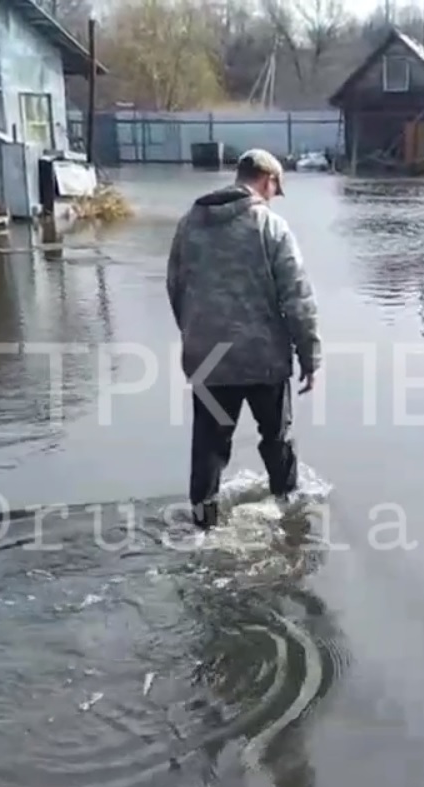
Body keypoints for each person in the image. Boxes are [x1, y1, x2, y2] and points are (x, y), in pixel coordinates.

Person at [166, 148, 321, 530]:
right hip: (262, 361)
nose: (272, 196)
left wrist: (195, 336)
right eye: (274, 189)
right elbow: (298, 298)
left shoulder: (189, 224)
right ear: (267, 181)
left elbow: (175, 286)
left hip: (208, 360)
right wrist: (310, 358)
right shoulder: (271, 227)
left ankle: (203, 526)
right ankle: (290, 516)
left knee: (209, 446)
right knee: (275, 438)